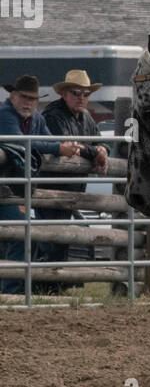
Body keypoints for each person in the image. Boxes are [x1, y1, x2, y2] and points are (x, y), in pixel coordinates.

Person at [0, 75, 82, 294]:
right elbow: (21, 141)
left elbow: (48, 139)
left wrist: (66, 146)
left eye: (32, 99)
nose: (28, 103)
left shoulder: (35, 118)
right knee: (20, 230)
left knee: (21, 231)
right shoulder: (5, 114)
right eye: (24, 97)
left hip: (12, 189)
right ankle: (11, 290)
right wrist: (59, 149)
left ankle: (12, 289)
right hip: (9, 187)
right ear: (13, 96)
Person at [34, 70, 109, 293]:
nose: (81, 98)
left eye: (86, 94)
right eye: (76, 93)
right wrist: (96, 152)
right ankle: (45, 287)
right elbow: (70, 146)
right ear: (64, 94)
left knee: (60, 239)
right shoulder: (53, 114)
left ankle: (51, 287)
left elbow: (99, 144)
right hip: (51, 191)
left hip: (71, 190)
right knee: (50, 239)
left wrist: (102, 150)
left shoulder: (85, 117)